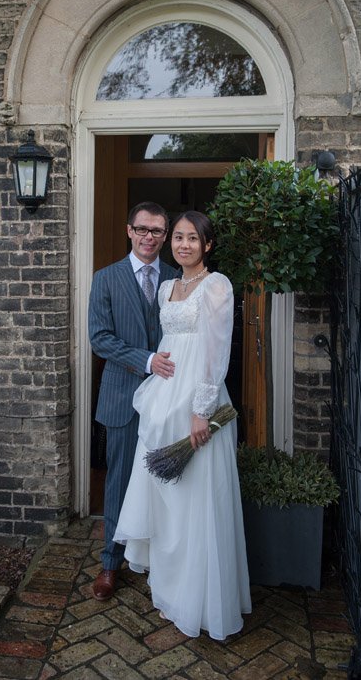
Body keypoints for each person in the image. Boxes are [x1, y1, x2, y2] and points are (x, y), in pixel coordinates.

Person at [114, 211, 251, 640]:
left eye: (193, 238)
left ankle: (203, 600)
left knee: (197, 499)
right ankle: (172, 591)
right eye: (178, 237)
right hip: (164, 399)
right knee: (167, 501)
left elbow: (216, 352)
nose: (184, 245)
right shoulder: (169, 288)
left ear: (208, 245)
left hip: (196, 400)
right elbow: (167, 344)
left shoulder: (217, 286)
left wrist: (201, 411)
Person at [88, 201, 179, 601]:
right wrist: (146, 360)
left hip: (168, 398)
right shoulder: (106, 279)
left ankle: (162, 561)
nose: (149, 237)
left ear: (165, 236)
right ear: (129, 231)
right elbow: (101, 338)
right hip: (123, 396)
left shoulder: (177, 280)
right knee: (120, 483)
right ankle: (111, 563)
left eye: (157, 231)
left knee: (167, 481)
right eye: (142, 229)